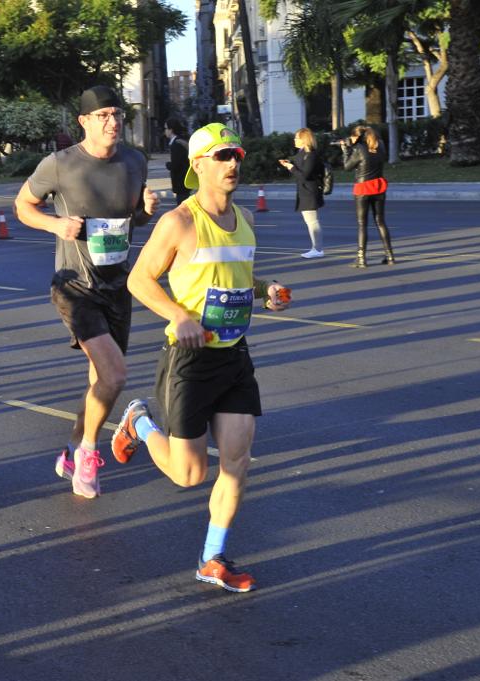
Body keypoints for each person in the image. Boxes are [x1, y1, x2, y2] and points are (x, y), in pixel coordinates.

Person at [111, 123, 290, 593]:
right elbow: (139, 281)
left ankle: (212, 558)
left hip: (233, 355)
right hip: (188, 359)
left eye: (237, 154)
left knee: (238, 462)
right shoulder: (180, 223)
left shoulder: (245, 217)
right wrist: (177, 315)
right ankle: (139, 423)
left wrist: (265, 290)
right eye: (222, 155)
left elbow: (237, 279)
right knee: (189, 475)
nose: (233, 163)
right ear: (198, 165)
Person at [13, 84, 159, 499]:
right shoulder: (60, 164)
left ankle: (75, 448)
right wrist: (55, 225)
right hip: (75, 286)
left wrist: (146, 212)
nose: (113, 123)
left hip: (117, 284)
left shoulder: (135, 161)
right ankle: (90, 454)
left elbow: (132, 224)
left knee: (102, 384)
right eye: (103, 116)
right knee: (115, 375)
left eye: (117, 115)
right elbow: (22, 206)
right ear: (84, 122)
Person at [341, 125, 395, 267]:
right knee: (381, 222)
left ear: (357, 137)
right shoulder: (380, 145)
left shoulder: (359, 148)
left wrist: (346, 150)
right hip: (378, 186)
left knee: (362, 224)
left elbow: (347, 167)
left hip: (363, 188)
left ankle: (361, 258)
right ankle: (390, 256)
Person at [278, 127, 326, 258]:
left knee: (312, 222)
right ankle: (316, 248)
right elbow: (301, 167)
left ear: (304, 140)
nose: (294, 140)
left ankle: (318, 249)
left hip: (310, 191)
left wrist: (291, 167)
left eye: (297, 138)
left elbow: (305, 175)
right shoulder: (302, 152)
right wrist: (290, 163)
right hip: (305, 191)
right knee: (310, 221)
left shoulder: (311, 155)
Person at [164, 117, 190, 206]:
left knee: (182, 208)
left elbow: (176, 165)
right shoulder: (180, 141)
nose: (165, 131)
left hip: (181, 183)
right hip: (184, 183)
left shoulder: (177, 144)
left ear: (171, 130)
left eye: (166, 128)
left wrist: (168, 165)